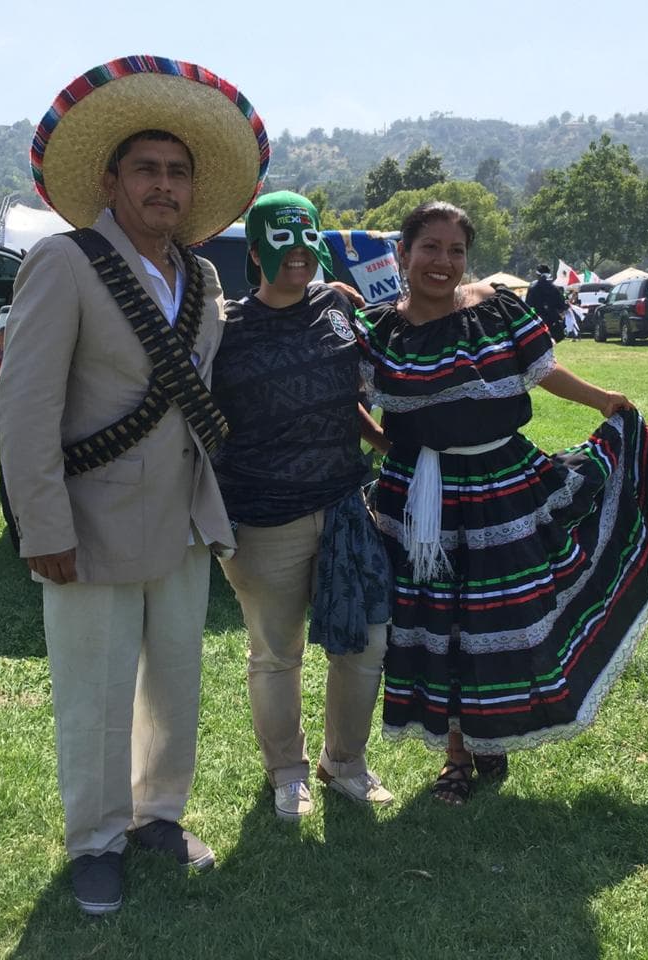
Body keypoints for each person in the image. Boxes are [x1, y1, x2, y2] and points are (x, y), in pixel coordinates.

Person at [0, 56, 269, 915]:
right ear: (111, 182)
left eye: (177, 173)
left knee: (175, 685)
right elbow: (25, 408)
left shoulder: (206, 278)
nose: (163, 186)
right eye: (146, 170)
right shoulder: (65, 265)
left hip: (183, 518)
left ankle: (158, 814)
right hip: (93, 519)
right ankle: (96, 840)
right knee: (96, 693)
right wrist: (44, 527)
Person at [355, 201, 648, 805]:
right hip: (416, 501)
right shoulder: (378, 331)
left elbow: (543, 369)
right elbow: (347, 395)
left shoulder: (498, 310)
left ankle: (488, 735)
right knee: (438, 623)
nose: (442, 262)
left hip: (502, 489)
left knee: (499, 618)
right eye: (429, 247)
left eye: (455, 250)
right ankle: (456, 754)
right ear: (403, 254)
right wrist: (386, 442)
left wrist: (604, 399)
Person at [210, 191, 396, 819]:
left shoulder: (338, 307)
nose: (298, 253)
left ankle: (344, 762)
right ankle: (287, 771)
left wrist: (381, 439)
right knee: (276, 653)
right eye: (282, 240)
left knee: (366, 642)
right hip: (264, 516)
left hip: (346, 505)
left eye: (307, 237)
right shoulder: (225, 329)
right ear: (256, 251)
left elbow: (351, 395)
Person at [526, 263, 568, 341]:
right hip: (552, 321)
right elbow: (561, 305)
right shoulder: (554, 288)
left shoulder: (532, 287)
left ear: (537, 274)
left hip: (537, 321)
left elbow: (528, 305)